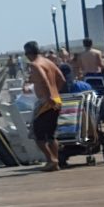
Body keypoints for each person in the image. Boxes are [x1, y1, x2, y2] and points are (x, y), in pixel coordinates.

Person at [23, 40, 66, 171]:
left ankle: (51, 159)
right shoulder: (48, 62)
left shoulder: (35, 64)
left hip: (46, 103)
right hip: (56, 100)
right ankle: (55, 161)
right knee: (51, 134)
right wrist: (55, 93)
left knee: (37, 135)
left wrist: (48, 97)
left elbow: (44, 80)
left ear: (28, 53)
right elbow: (62, 79)